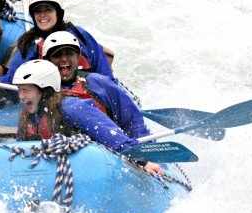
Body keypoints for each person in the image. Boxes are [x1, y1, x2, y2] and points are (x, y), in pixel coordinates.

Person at [12, 60, 163, 176]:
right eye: (19, 90)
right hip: (54, 170)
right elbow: (22, 148)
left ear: (45, 90)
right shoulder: (29, 115)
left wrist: (142, 161)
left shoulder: (71, 107)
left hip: (89, 168)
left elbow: (110, 134)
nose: (21, 97)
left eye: (25, 90)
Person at [0, 0, 114, 90]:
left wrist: (109, 90)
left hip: (86, 90)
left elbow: (102, 66)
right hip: (54, 99)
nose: (42, 15)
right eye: (38, 11)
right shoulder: (30, 43)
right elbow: (12, 80)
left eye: (48, 9)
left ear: (58, 13)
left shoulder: (78, 34)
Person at [42, 31, 150, 139]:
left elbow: (132, 119)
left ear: (77, 57)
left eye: (69, 54)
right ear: (48, 60)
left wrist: (141, 146)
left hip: (108, 147)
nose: (64, 59)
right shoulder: (39, 89)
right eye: (57, 55)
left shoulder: (96, 83)